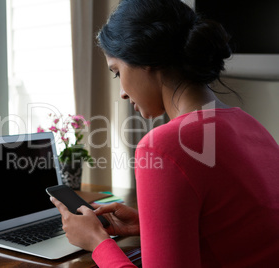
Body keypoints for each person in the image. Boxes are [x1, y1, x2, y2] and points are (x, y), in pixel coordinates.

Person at [51, 0, 279, 266]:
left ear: (145, 60)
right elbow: (235, 232)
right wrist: (152, 226)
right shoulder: (251, 126)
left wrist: (96, 242)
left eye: (117, 72)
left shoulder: (164, 146)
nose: (122, 92)